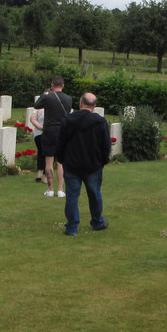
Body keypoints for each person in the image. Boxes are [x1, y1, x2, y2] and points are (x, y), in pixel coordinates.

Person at [55, 92, 111, 236]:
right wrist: (103, 161)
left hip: (72, 164)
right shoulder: (100, 122)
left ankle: (72, 227)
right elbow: (106, 145)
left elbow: (61, 142)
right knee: (94, 194)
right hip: (93, 165)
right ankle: (97, 222)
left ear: (80, 103)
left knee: (72, 195)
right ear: (94, 106)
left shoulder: (69, 120)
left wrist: (61, 159)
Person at [33, 75, 71, 197]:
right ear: (63, 86)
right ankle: (60, 190)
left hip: (49, 132)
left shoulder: (48, 98)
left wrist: (46, 94)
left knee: (49, 163)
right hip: (62, 132)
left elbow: (36, 105)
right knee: (60, 162)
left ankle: (50, 190)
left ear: (52, 85)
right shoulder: (68, 98)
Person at [29, 103, 46, 182]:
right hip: (42, 133)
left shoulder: (38, 107)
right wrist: (42, 127)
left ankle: (40, 174)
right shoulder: (38, 108)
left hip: (39, 133)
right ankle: (45, 175)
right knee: (47, 153)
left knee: (41, 153)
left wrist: (40, 127)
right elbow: (32, 119)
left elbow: (33, 119)